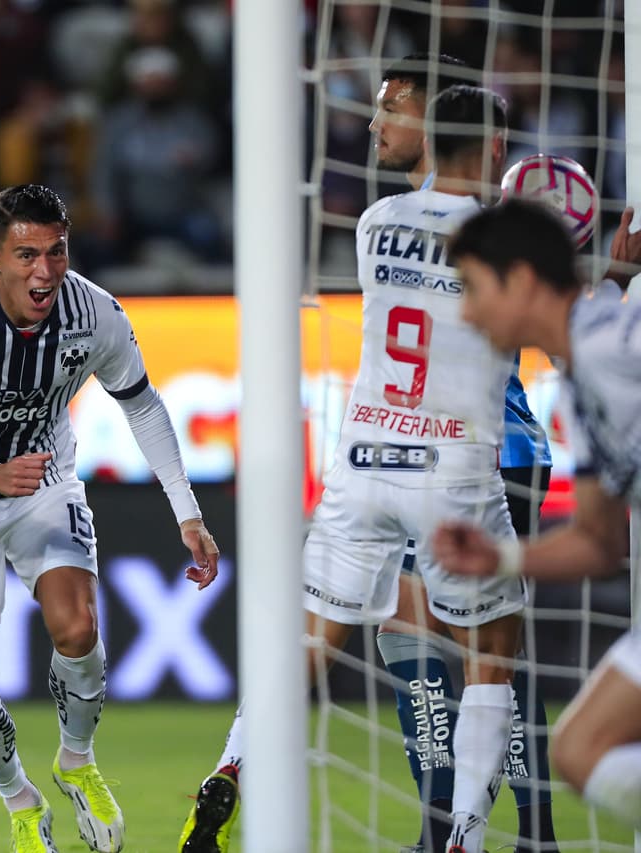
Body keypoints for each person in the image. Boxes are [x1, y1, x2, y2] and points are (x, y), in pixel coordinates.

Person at [178, 86, 524, 853]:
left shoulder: (376, 223)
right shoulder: (510, 237)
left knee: (305, 644)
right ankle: (463, 835)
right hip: (454, 468)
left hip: (363, 460)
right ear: (496, 150)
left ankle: (231, 763)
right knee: (493, 654)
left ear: (431, 137)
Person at [0, 183, 220, 853]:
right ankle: (20, 798)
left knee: (78, 626)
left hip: (42, 482)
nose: (43, 273)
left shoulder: (95, 314)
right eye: (25, 255)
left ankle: (76, 757)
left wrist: (187, 513)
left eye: (56, 252)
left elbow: (144, 406)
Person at [369, 54, 559, 853]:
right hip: (431, 451)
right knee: (416, 637)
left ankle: (527, 832)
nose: (376, 124)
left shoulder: (451, 223)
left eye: (393, 109)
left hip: (493, 448)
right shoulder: (460, 220)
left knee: (487, 649)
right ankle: (447, 826)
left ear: (436, 124)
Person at [435, 199, 641, 831]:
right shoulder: (581, 372)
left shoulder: (615, 346)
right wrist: (502, 557)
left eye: (472, 288)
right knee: (580, 751)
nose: (465, 311)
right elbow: (601, 543)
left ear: (521, 280)